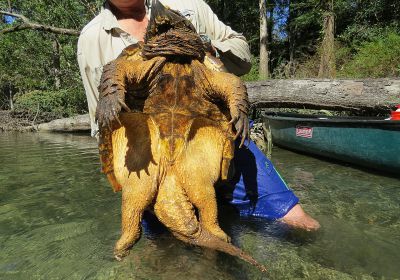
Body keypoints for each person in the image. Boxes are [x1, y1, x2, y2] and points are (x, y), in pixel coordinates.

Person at [77, 0, 320, 231]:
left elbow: (241, 62)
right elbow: (103, 123)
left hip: (218, 137)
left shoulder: (188, 4)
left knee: (299, 223)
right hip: (150, 156)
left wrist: (204, 44)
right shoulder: (92, 39)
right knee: (165, 252)